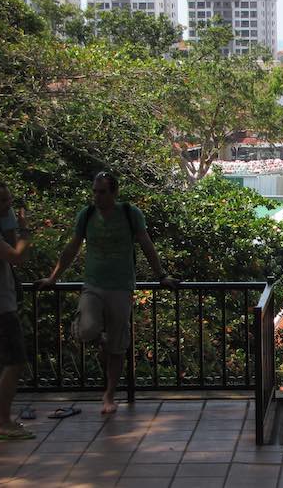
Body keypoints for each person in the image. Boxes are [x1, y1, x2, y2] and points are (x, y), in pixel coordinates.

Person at [36, 172, 179, 414]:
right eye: (94, 191)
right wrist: (54, 277)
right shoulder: (87, 215)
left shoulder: (130, 213)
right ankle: (99, 340)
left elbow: (146, 243)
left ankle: (109, 395)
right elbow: (72, 247)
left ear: (114, 192)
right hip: (93, 284)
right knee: (87, 330)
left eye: (102, 192)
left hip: (122, 286)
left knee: (117, 346)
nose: (96, 196)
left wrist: (161, 275)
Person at [0, 180, 34, 440]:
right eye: (3, 200)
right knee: (14, 361)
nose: (9, 204)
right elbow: (16, 257)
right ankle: (4, 421)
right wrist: (25, 232)